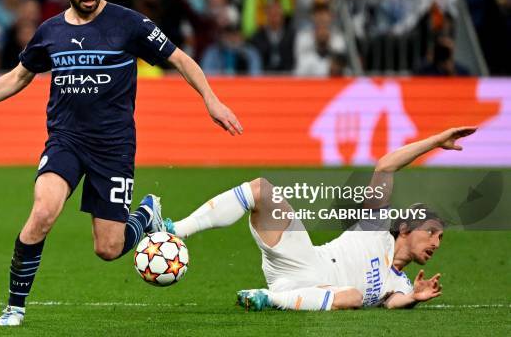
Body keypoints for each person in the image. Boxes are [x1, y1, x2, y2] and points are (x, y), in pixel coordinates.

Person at [0, 0, 242, 326]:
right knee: (43, 212)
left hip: (113, 149)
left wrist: (211, 100)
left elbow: (180, 58)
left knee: (109, 249)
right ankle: (14, 307)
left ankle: (145, 214)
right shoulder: (50, 33)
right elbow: (18, 77)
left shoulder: (129, 24)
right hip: (66, 141)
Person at [163, 126, 477, 310]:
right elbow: (385, 167)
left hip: (315, 292)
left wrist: (415, 297)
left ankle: (268, 300)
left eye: (440, 238)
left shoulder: (400, 283)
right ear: (406, 227)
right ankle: (177, 229)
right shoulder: (376, 226)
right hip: (303, 261)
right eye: (432, 232)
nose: (436, 243)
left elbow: (393, 302)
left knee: (352, 296)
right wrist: (435, 142)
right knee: (263, 190)